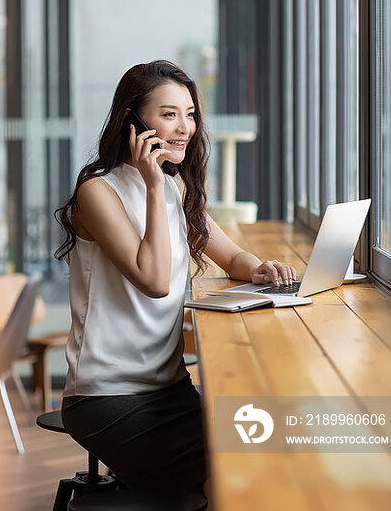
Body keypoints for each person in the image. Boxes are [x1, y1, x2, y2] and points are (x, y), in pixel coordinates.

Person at [55, 60, 296, 501]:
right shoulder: (98, 192)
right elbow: (154, 280)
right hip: (109, 397)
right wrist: (151, 186)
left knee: (265, 453)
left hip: (169, 388)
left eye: (189, 113)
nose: (184, 127)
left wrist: (261, 267)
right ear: (133, 121)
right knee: (229, 483)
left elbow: (230, 254)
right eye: (169, 114)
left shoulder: (175, 187)